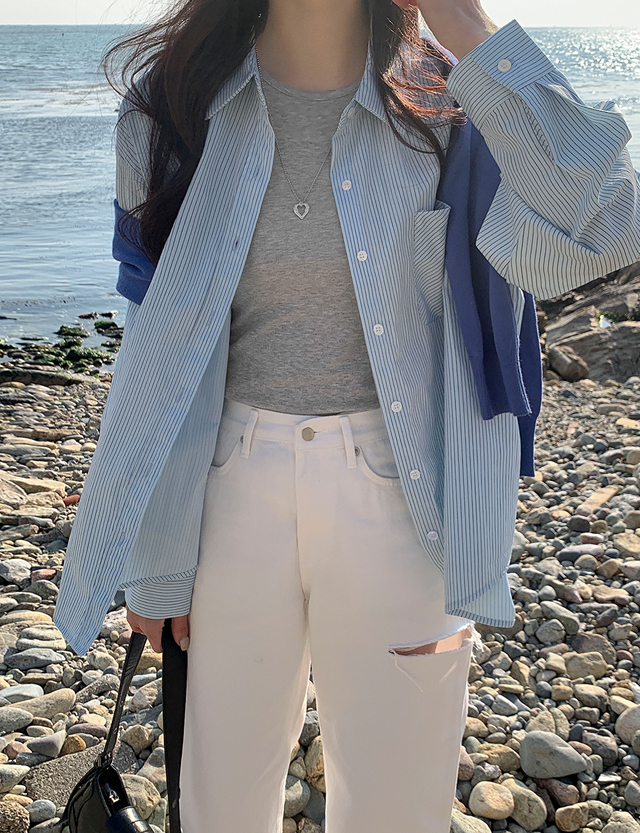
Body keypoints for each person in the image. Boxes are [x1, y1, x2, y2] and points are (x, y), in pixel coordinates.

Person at [54, 0, 640, 830]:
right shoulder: (172, 104)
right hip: (225, 490)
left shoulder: (453, 102)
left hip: (407, 496)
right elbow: (155, 337)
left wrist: (468, 28)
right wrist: (156, 553)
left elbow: (609, 224)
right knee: (219, 809)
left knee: (397, 811)